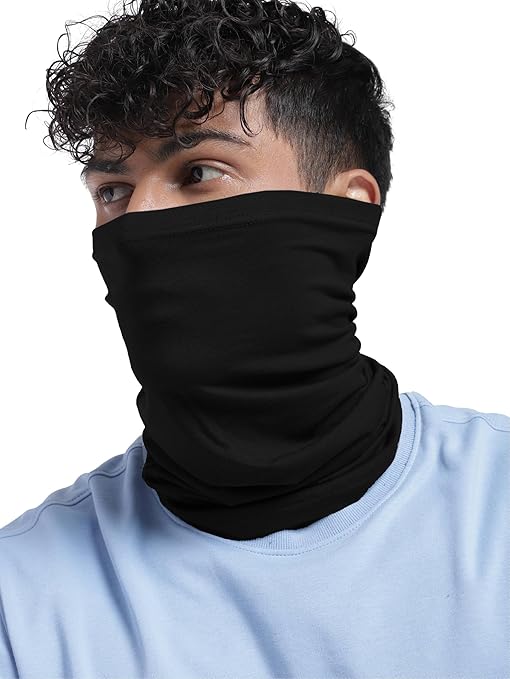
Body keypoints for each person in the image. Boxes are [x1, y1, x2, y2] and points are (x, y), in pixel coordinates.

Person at [1, 0, 508, 677]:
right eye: (114, 190)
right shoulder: (22, 601)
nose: (139, 220)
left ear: (346, 211)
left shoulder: (497, 509)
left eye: (198, 173)